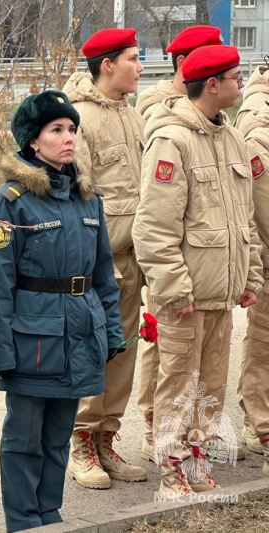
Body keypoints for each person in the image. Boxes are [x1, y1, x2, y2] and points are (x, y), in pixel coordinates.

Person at [0, 90, 123, 532]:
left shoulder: (87, 198)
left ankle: (50, 516)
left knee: (59, 437)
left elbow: (103, 274)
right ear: (32, 142)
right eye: (56, 130)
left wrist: (112, 332)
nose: (68, 139)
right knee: (25, 440)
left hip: (80, 335)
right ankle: (24, 521)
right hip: (33, 341)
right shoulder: (12, 201)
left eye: (72, 130)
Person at [133, 45, 262, 499]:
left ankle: (198, 460)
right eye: (235, 76)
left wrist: (251, 278)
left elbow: (243, 219)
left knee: (211, 385)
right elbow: (153, 226)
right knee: (178, 385)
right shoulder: (172, 140)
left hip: (221, 294)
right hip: (185, 296)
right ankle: (170, 470)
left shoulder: (231, 137)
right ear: (212, 84)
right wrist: (173, 289)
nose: (241, 84)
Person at [134, 25, 226, 464]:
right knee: (167, 351)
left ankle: (190, 438)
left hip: (203, 263)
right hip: (171, 255)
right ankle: (157, 426)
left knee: (199, 362)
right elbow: (157, 212)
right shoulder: (162, 113)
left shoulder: (216, 124)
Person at [62, 27, 148, 489]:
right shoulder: (81, 117)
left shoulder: (133, 117)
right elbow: (80, 199)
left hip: (134, 260)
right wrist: (98, 261)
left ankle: (106, 439)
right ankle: (80, 442)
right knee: (94, 352)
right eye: (134, 58)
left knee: (124, 354)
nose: (141, 67)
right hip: (102, 263)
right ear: (108, 64)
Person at [234, 68, 269, 471]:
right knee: (262, 343)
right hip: (266, 256)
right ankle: (256, 423)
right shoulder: (258, 122)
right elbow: (262, 210)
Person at [135, 26, 223, 122]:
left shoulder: (207, 104)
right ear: (182, 63)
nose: (218, 69)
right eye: (210, 62)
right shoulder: (160, 110)